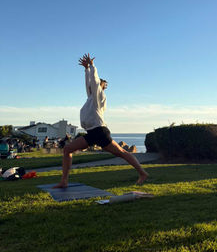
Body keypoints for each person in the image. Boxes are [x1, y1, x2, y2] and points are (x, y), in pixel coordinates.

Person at [54, 53, 149, 188]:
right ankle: (64, 181)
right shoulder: (91, 98)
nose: (93, 86)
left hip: (99, 132)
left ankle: (142, 173)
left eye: (99, 84)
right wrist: (86, 69)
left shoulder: (99, 95)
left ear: (100, 87)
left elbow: (94, 81)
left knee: (122, 153)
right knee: (68, 149)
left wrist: (92, 66)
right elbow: (89, 83)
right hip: (92, 133)